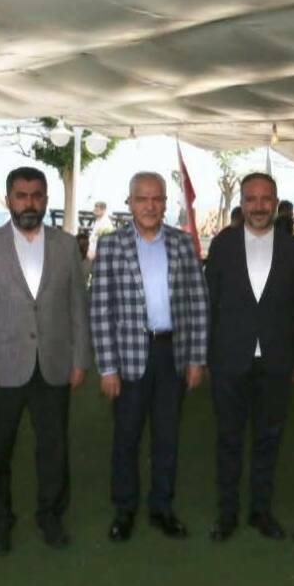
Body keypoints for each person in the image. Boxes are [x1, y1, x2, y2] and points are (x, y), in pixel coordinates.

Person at [0, 167, 92, 555]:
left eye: (36, 195)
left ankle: (51, 516)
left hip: (53, 364)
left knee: (54, 448)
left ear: (46, 200)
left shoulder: (66, 246)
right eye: (21, 195)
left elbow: (77, 306)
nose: (29, 203)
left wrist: (80, 358)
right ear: (9, 200)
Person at [90, 171, 209, 542]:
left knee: (167, 438)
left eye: (157, 199)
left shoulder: (182, 243)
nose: (150, 206)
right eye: (142, 199)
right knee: (126, 438)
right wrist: (107, 368)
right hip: (128, 358)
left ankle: (162, 509)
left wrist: (196, 359)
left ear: (165, 203)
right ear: (130, 203)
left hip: (173, 354)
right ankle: (124, 510)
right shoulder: (111, 245)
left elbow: (198, 302)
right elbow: (100, 309)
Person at [204, 173, 294, 542]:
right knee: (228, 440)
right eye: (251, 199)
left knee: (268, 440)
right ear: (242, 203)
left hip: (277, 361)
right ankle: (227, 514)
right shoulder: (223, 245)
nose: (259, 206)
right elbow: (210, 303)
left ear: (276, 203)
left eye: (266, 199)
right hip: (230, 359)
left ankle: (261, 512)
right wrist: (208, 357)